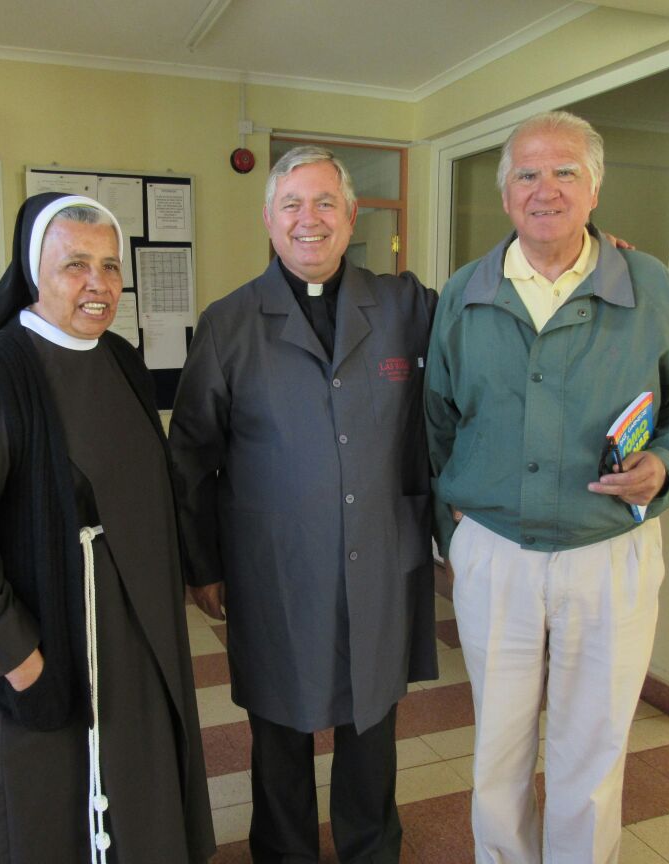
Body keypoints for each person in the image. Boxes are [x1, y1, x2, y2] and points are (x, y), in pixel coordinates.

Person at [424, 111, 669, 864]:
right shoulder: (466, 293)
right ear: (505, 195)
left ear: (594, 190)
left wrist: (667, 462)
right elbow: (437, 419)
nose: (545, 189)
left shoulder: (647, 287)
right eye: (527, 174)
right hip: (498, 552)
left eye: (565, 173)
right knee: (499, 751)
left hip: (610, 552)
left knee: (593, 749)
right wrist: (458, 532)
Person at [0, 192, 216, 864]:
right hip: (52, 639)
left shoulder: (121, 360)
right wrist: (19, 659)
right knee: (56, 808)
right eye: (75, 265)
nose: (98, 284)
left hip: (141, 640)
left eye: (110, 267)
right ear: (34, 273)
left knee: (143, 795)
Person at [169, 146, 438, 863]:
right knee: (279, 732)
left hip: (378, 560)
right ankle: (284, 853)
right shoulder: (228, 323)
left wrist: (580, 251)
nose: (308, 219)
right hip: (275, 570)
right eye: (292, 204)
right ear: (268, 219)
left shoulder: (407, 308)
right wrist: (203, 565)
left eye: (325, 203)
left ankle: (370, 850)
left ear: (352, 216)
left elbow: (488, 315)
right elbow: (190, 455)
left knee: (372, 728)